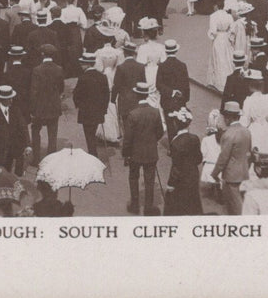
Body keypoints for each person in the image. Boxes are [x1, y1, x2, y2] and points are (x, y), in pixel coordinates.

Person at [121, 81, 164, 216]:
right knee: (150, 179)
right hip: (151, 152)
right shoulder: (155, 112)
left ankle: (134, 205)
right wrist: (151, 141)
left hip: (135, 153)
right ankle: (148, 207)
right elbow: (160, 132)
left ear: (136, 95)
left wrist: (125, 154)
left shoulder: (133, 114)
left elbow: (128, 138)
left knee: (133, 177)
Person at [211, 101, 251, 215]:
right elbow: (249, 152)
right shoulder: (246, 131)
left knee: (234, 203)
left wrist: (215, 173)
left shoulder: (228, 134)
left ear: (228, 118)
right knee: (237, 199)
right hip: (243, 171)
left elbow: (223, 158)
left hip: (230, 174)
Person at [164, 107, 203, 216]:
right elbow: (198, 158)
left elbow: (176, 167)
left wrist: (171, 183)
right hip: (193, 174)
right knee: (193, 201)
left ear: (176, 124)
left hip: (181, 178)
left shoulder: (175, 142)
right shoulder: (195, 138)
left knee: (178, 205)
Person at [29, 43, 64, 163]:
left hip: (40, 107)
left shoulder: (37, 70)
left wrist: (32, 109)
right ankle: (51, 160)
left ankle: (36, 158)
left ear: (42, 55)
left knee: (35, 131)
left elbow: (34, 91)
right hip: (53, 106)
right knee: (52, 134)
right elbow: (61, 88)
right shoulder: (59, 69)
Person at [0, 85, 28, 176]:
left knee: (8, 175)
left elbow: (23, 128)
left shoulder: (16, 111)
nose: (11, 101)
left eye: (11, 98)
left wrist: (28, 144)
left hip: (12, 150)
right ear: (2, 99)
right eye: (8, 99)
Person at [73, 52, 111, 157]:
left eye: (82, 64)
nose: (81, 66)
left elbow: (76, 94)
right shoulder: (102, 77)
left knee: (89, 135)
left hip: (86, 112)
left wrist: (79, 105)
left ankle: (92, 155)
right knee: (92, 133)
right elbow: (106, 95)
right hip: (98, 111)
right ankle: (92, 153)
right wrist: (104, 109)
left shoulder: (83, 78)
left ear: (87, 64)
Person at [155, 40, 190, 131]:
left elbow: (158, 85)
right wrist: (185, 98)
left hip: (167, 101)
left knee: (170, 126)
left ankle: (172, 143)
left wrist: (171, 92)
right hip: (180, 100)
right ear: (176, 50)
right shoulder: (182, 65)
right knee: (181, 125)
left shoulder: (162, 66)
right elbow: (186, 85)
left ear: (166, 51)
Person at [207, 7, 235, 92]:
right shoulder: (229, 16)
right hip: (226, 38)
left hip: (218, 38)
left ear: (215, 5)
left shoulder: (213, 16)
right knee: (227, 58)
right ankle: (229, 81)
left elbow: (213, 31)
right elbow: (232, 29)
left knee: (218, 59)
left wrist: (211, 36)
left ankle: (219, 82)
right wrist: (230, 38)